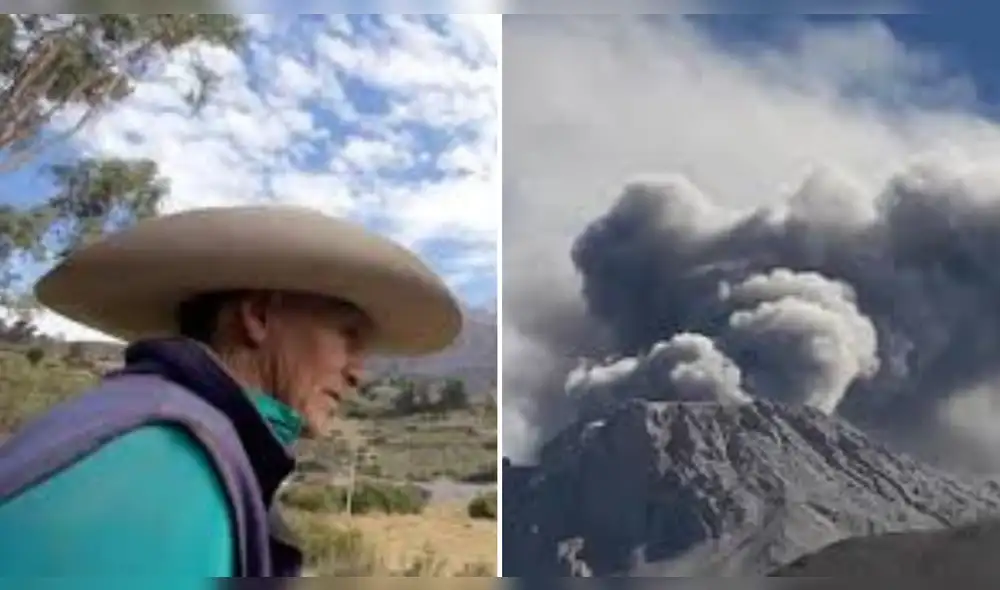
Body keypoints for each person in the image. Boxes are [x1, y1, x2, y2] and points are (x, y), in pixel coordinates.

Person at [0, 205, 462, 578]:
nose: (360, 374)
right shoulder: (171, 462)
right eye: (348, 337)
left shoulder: (149, 421)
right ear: (258, 316)